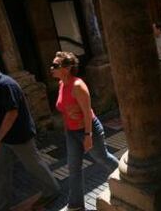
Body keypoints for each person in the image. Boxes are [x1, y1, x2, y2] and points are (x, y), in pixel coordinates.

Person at [0, 53, 60, 211]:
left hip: (20, 137)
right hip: (5, 138)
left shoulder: (6, 85)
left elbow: (11, 113)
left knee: (34, 166)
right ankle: (2, 205)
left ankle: (52, 190)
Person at [50, 51, 118, 211]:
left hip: (88, 130)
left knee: (102, 158)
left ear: (66, 68)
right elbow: (65, 109)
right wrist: (68, 130)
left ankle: (128, 179)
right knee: (73, 168)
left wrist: (88, 135)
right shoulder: (61, 84)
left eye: (55, 65)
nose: (51, 68)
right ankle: (76, 205)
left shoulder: (78, 86)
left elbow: (87, 113)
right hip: (72, 133)